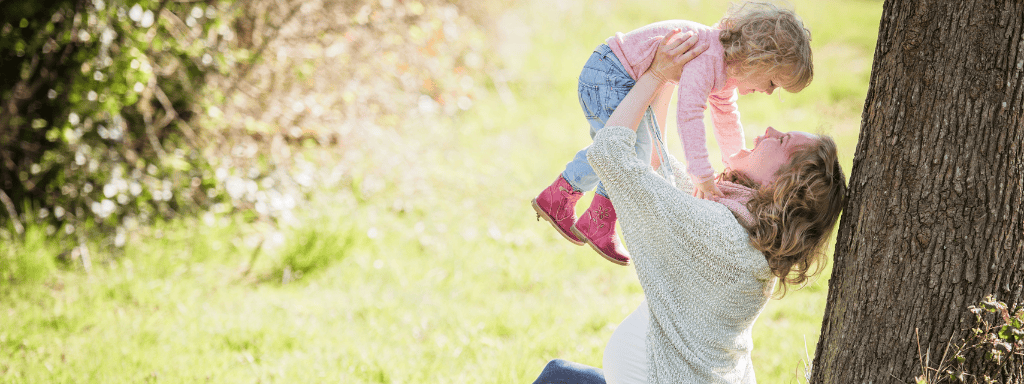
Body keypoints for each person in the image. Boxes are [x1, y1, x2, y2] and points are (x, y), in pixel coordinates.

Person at [531, 25, 847, 384]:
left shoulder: (719, 234)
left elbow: (610, 153)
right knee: (558, 377)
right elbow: (658, 165)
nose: (771, 130)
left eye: (783, 140)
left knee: (558, 379)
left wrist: (654, 75)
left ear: (783, 186)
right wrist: (671, 77)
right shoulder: (741, 226)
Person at [532, 2, 814, 266]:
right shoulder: (709, 57)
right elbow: (689, 114)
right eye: (774, 82)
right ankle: (589, 214)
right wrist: (702, 174)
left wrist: (734, 162)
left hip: (613, 74)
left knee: (625, 149)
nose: (768, 91)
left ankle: (572, 204)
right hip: (610, 75)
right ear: (758, 58)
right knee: (626, 150)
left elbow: (726, 117)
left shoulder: (724, 67)